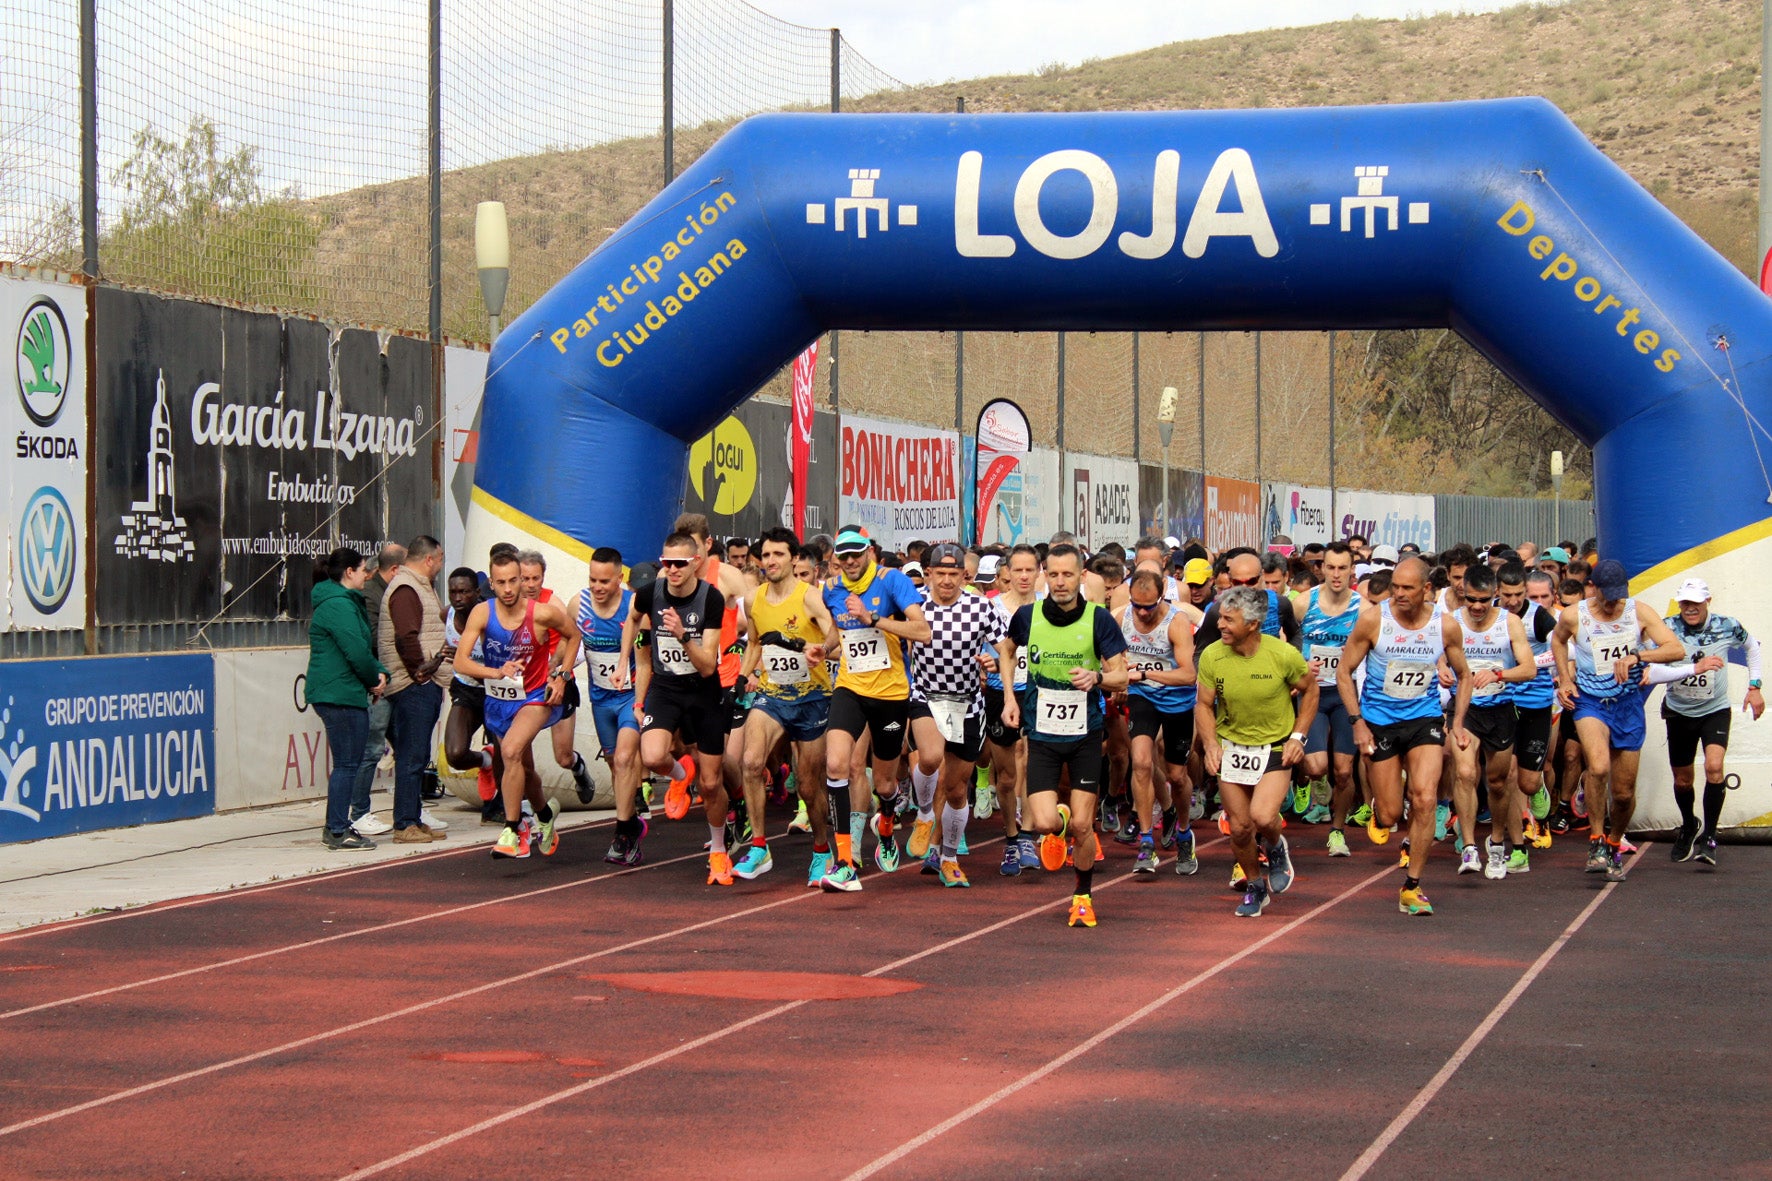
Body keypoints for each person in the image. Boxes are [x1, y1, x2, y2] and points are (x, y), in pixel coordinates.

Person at [1001, 543, 1130, 928]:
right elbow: (1006, 651)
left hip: (1085, 735)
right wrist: (1010, 697)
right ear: (1045, 576)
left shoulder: (1098, 620)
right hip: (1041, 734)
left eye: (1067, 575)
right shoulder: (1027, 617)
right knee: (1042, 823)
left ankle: (1082, 896)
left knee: (1082, 825)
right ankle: (1058, 818)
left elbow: (1122, 674)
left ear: (1081, 577)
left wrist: (1098, 678)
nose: (1060, 582)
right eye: (1053, 574)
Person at [1338, 556, 1475, 916]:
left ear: (1426, 589)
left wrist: (1457, 722)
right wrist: (1357, 722)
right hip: (1379, 721)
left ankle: (1412, 886)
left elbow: (1465, 675)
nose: (1398, 594)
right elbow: (1344, 671)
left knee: (1426, 798)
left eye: (1407, 588)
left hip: (1424, 719)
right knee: (1391, 813)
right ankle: (1380, 812)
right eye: (1395, 587)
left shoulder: (1444, 627)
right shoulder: (1373, 620)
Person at [1551, 558, 1686, 881]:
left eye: (1617, 595)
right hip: (1591, 702)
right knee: (1597, 767)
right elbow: (1557, 640)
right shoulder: (1575, 615)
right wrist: (1565, 680)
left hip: (1627, 704)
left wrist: (1638, 655)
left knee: (1623, 793)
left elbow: (1675, 648)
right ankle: (1596, 840)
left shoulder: (1638, 612)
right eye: (1606, 595)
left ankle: (1613, 842)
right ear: (1592, 588)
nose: (1612, 602)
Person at [817, 529, 931, 891]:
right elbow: (839, 629)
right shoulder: (831, 587)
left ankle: (884, 823)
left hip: (891, 693)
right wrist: (824, 648)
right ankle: (845, 862)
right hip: (850, 688)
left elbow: (923, 631)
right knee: (836, 764)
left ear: (869, 552)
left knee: (884, 782)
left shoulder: (891, 581)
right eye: (843, 555)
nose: (850, 562)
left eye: (856, 554)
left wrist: (874, 620)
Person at [1195, 587, 1318, 917]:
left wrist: (1298, 738)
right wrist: (1210, 745)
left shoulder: (1282, 655)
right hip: (1232, 747)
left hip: (1275, 746)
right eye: (1220, 617)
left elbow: (1312, 690)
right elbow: (1204, 705)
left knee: (1263, 817)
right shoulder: (1212, 656)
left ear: (1252, 624)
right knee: (1239, 828)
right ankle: (1254, 886)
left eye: (1228, 619)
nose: (1220, 624)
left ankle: (1276, 846)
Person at [450, 551, 575, 859]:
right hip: (499, 700)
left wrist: (560, 676)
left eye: (513, 581)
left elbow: (574, 635)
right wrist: (496, 671)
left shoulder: (542, 614)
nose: (508, 589)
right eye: (500, 582)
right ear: (491, 583)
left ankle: (513, 828)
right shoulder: (482, 613)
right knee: (523, 767)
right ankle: (545, 816)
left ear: (522, 580)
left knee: (508, 753)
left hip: (534, 698)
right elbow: (460, 661)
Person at [629, 531, 736, 884]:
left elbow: (708, 665)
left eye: (679, 563)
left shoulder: (711, 599)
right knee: (652, 755)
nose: (672, 569)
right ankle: (679, 775)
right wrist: (621, 662)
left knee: (711, 782)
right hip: (666, 688)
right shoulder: (650, 594)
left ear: (695, 564)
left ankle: (719, 850)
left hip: (704, 692)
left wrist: (682, 635)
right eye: (666, 563)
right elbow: (633, 620)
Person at [904, 542, 1009, 888]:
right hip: (925, 696)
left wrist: (996, 667)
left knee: (956, 790)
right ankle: (922, 817)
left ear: (966, 576)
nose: (947, 581)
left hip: (966, 702)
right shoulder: (913, 603)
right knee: (930, 758)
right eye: (941, 574)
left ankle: (948, 857)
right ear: (929, 574)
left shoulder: (980, 607)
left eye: (954, 575)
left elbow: (1006, 648)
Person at [738, 528, 838, 884]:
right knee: (750, 761)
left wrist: (820, 650)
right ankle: (760, 847)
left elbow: (834, 635)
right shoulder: (753, 600)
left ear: (794, 559)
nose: (771, 562)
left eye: (778, 555)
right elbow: (754, 641)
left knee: (809, 787)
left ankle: (821, 849)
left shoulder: (810, 597)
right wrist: (743, 674)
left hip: (812, 698)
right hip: (773, 695)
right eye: (766, 556)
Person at [1653, 578, 1763, 866]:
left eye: (1695, 603)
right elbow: (1649, 658)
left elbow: (1753, 648)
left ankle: (1710, 837)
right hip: (1678, 711)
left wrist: (1754, 687)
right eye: (1685, 603)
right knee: (1683, 779)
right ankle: (1690, 825)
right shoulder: (1666, 627)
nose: (1690, 609)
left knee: (1714, 768)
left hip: (1714, 709)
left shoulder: (1727, 625)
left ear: (1707, 602)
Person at [1445, 562, 1538, 879]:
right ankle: (1469, 846)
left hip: (1500, 710)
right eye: (1471, 599)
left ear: (1494, 595)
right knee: (1466, 772)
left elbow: (1529, 668)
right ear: (1463, 594)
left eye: (1484, 600)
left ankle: (1496, 844)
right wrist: (1443, 671)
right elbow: (1435, 658)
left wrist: (1498, 674)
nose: (1477, 606)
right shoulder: (1451, 622)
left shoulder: (1510, 623)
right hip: (1465, 710)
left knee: (1499, 784)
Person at [570, 547, 648, 865]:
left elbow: (645, 662)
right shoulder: (579, 604)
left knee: (628, 757)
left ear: (620, 579)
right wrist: (560, 672)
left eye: (605, 581)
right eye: (593, 580)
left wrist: (641, 698)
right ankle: (629, 822)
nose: (598, 587)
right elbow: (569, 641)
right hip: (600, 699)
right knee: (616, 764)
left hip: (629, 696)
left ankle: (622, 834)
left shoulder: (634, 608)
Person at [1118, 569, 1198, 875]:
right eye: (1136, 604)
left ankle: (1183, 831)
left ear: (1162, 594)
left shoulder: (1176, 622)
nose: (1141, 612)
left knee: (1177, 777)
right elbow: (1108, 657)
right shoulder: (1121, 617)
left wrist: (1145, 673)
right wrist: (1119, 679)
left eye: (1149, 606)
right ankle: (1147, 841)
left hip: (1177, 701)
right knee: (1140, 762)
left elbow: (1188, 674)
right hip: (1142, 698)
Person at [308, 547, 388, 850]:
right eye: (364, 569)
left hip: (343, 691)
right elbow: (355, 651)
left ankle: (338, 826)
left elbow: (362, 651)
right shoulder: (339, 606)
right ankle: (337, 829)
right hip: (338, 693)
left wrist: (380, 674)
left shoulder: (344, 602)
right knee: (346, 764)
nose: (368, 574)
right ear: (349, 572)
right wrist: (374, 680)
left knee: (348, 763)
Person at [377, 535, 451, 843]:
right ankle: (404, 823)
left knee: (416, 755)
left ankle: (413, 818)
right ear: (430, 559)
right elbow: (406, 637)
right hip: (413, 685)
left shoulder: (415, 586)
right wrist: (420, 672)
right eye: (441, 560)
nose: (441, 567)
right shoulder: (407, 588)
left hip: (417, 681)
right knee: (411, 754)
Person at [1298, 541, 1363, 857]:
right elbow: (1282, 639)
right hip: (1312, 693)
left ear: (1352, 570)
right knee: (1316, 767)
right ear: (1321, 568)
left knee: (1344, 771)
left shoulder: (1363, 608)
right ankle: (1317, 787)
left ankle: (1337, 830)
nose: (1336, 575)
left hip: (1343, 694)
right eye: (1331, 567)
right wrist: (1299, 664)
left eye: (1342, 568)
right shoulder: (1303, 602)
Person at [518, 551, 598, 804]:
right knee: (517, 748)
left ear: (543, 577)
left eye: (535, 578)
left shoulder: (552, 603)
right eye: (525, 578)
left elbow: (570, 637)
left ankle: (578, 767)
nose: (530, 585)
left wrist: (554, 666)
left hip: (557, 681)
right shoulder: (510, 601)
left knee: (562, 757)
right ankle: (522, 804)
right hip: (525, 685)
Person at [982, 544, 1039, 875]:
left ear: (1038, 572)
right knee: (1005, 777)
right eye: (1017, 570)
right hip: (1000, 693)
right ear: (1007, 574)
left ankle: (1028, 835)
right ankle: (1011, 838)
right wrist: (985, 662)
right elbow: (977, 650)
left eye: (1029, 569)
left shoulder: (1048, 609)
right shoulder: (990, 608)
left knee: (1032, 764)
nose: (1023, 576)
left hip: (1037, 692)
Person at [348, 542, 403, 836]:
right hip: (377, 685)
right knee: (370, 750)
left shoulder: (391, 592)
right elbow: (371, 641)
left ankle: (411, 810)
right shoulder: (371, 596)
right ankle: (359, 812)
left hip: (393, 681)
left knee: (407, 746)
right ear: (394, 570)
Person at [441, 566, 499, 824]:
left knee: (507, 755)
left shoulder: (490, 617)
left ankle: (499, 806)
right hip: (466, 689)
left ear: (477, 592)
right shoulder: (447, 614)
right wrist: (435, 661)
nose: (457, 598)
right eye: (453, 592)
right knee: (455, 754)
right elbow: (449, 648)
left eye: (464, 592)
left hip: (494, 691)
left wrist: (465, 663)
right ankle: (485, 760)